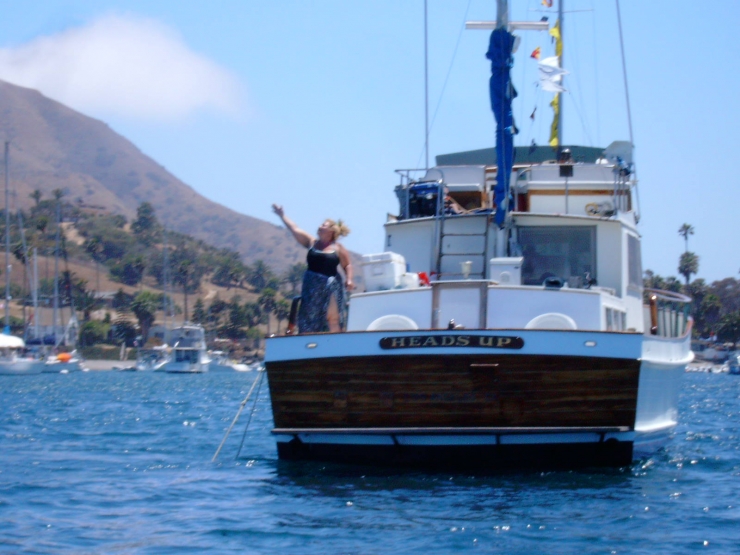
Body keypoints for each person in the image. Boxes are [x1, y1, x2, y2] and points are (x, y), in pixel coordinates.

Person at [272, 204, 353, 333]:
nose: (320, 227)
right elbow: (294, 228)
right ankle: (309, 344)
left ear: (331, 231)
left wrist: (349, 279)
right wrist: (282, 215)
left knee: (333, 317)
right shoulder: (312, 242)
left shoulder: (338, 248)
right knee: (309, 317)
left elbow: (347, 265)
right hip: (312, 286)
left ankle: (336, 343)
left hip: (331, 285)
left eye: (324, 225)